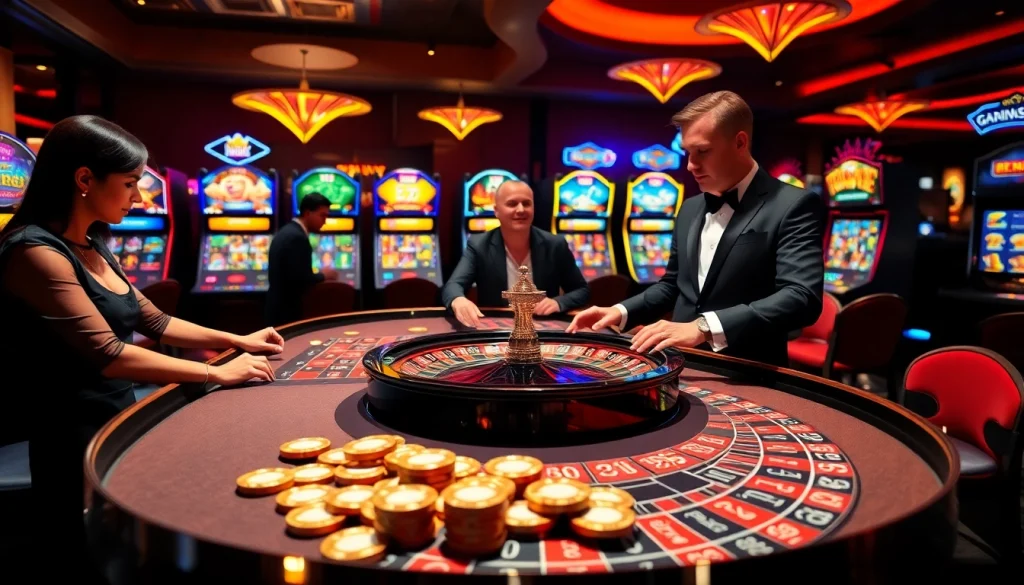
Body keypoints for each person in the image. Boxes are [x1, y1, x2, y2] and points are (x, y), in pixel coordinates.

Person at [0, 115, 284, 582]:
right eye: (131, 183)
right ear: (85, 179)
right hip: (70, 437)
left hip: (115, 417)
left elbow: (154, 319)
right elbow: (111, 355)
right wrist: (218, 372)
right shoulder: (34, 251)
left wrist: (237, 340)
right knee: (89, 558)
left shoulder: (90, 242)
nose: (140, 196)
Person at [568, 91, 823, 366]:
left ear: (740, 142)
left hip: (750, 372)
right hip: (681, 364)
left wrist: (704, 327)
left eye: (702, 151)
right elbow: (672, 286)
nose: (690, 165)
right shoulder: (690, 208)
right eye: (688, 152)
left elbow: (801, 298)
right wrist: (620, 311)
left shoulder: (793, 204)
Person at [442, 181, 589, 327]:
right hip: (496, 329)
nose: (520, 210)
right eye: (512, 204)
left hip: (543, 327)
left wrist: (558, 302)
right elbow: (453, 285)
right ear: (496, 211)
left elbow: (582, 290)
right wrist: (458, 300)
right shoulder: (480, 245)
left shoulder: (555, 245)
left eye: (526, 203)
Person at [265, 192, 337, 326]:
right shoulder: (297, 237)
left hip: (278, 306)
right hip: (285, 311)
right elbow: (300, 280)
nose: (325, 221)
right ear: (308, 213)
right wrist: (324, 275)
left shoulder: (289, 231)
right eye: (322, 215)